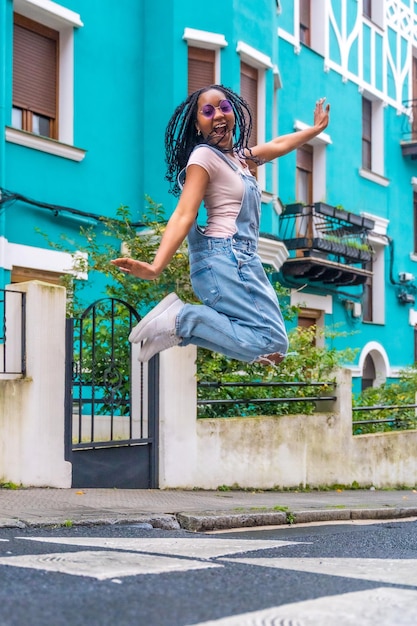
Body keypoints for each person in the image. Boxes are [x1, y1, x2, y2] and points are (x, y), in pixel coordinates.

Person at [111, 85, 330, 363]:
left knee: (274, 349)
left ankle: (178, 331)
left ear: (234, 114)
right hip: (224, 258)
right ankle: (181, 319)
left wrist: (314, 131)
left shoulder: (240, 158)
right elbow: (184, 213)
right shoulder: (203, 157)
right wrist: (156, 267)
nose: (218, 115)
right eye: (208, 110)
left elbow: (277, 146)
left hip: (240, 259)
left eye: (224, 108)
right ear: (197, 123)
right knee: (269, 341)